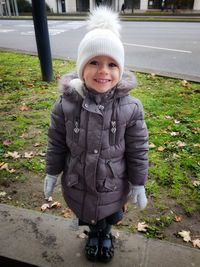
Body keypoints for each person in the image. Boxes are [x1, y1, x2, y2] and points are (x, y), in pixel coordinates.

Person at [44, 6, 148, 263]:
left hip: (112, 183)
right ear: (81, 68)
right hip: (79, 181)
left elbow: (138, 149)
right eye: (94, 62)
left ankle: (106, 235)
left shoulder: (131, 108)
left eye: (112, 64)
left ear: (120, 70)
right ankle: (94, 235)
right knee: (89, 215)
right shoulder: (65, 105)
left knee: (107, 215)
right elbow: (56, 142)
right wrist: (51, 172)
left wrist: (138, 182)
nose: (104, 71)